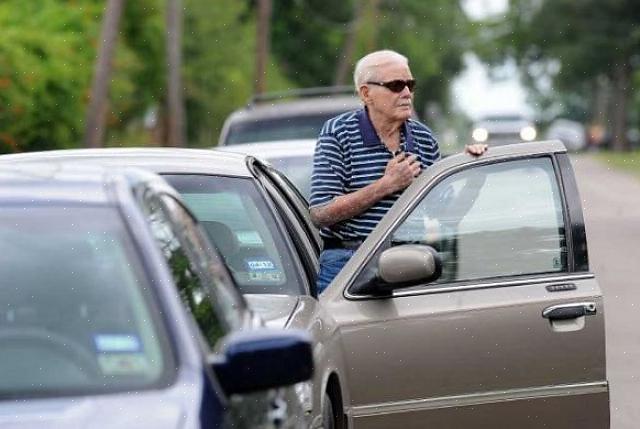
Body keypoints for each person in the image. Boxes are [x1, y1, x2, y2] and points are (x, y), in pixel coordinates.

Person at [309, 50, 487, 294]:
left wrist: (473, 174)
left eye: (410, 85)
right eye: (395, 85)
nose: (406, 93)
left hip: (410, 263)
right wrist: (386, 185)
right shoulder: (338, 132)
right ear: (366, 93)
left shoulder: (424, 139)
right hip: (348, 263)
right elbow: (321, 213)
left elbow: (445, 215)